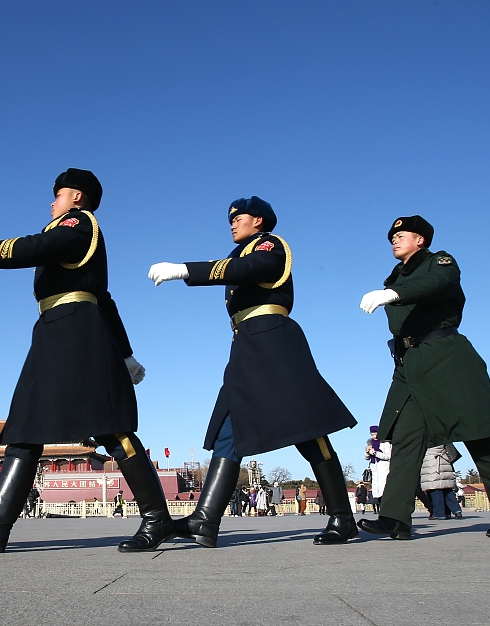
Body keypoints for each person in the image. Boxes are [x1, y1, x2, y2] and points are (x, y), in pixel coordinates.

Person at [0, 168, 173, 552]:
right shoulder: (74, 233)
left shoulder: (78, 224)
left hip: (77, 331)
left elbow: (35, 248)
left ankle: (158, 521)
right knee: (25, 425)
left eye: (58, 195)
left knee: (110, 427)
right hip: (55, 329)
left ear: (76, 198)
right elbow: (106, 298)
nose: (52, 202)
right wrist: (126, 354)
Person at [149, 196, 358, 546]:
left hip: (275, 343)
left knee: (308, 429)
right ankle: (205, 519)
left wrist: (187, 269)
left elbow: (249, 270)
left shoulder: (269, 245)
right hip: (246, 345)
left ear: (258, 221)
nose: (232, 223)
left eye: (239, 218)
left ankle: (342, 516)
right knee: (229, 429)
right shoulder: (238, 254)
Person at [358, 215, 490, 539]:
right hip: (409, 364)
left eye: (401, 235)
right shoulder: (395, 276)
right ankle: (395, 517)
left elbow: (437, 285)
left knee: (477, 433)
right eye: (391, 237)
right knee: (406, 439)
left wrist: (393, 295)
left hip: (446, 357)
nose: (394, 240)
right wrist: (392, 291)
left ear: (420, 240)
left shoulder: (440, 263)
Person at [421, 444, 463, 520]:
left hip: (430, 462)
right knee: (447, 489)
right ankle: (456, 510)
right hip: (444, 460)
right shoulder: (443, 435)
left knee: (435, 489)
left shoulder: (425, 436)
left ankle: (439, 514)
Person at [364, 425, 391, 513]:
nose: (374, 436)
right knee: (377, 490)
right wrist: (367, 452)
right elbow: (366, 457)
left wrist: (375, 453)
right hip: (374, 468)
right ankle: (381, 510)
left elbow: (388, 456)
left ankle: (386, 509)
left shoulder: (385, 443)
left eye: (375, 434)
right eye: (372, 434)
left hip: (383, 467)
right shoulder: (370, 443)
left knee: (384, 488)